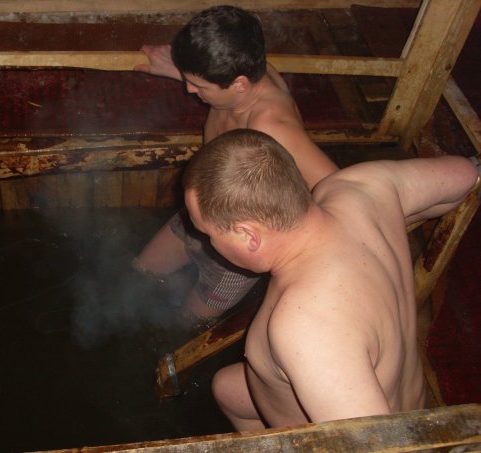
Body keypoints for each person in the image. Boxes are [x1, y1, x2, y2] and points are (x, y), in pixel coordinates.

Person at [182, 128, 479, 429]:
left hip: (386, 431)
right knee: (226, 388)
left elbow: (382, 444)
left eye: (208, 234)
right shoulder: (363, 185)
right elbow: (466, 174)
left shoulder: (306, 328)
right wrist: (384, 223)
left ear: (249, 236)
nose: (208, 243)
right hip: (392, 388)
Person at [132, 5, 338, 325]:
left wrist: (300, 270)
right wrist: (182, 68)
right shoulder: (245, 70)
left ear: (239, 84)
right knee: (138, 274)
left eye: (198, 86)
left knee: (184, 325)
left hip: (236, 254)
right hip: (200, 216)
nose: (189, 90)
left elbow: (342, 189)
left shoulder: (273, 127)